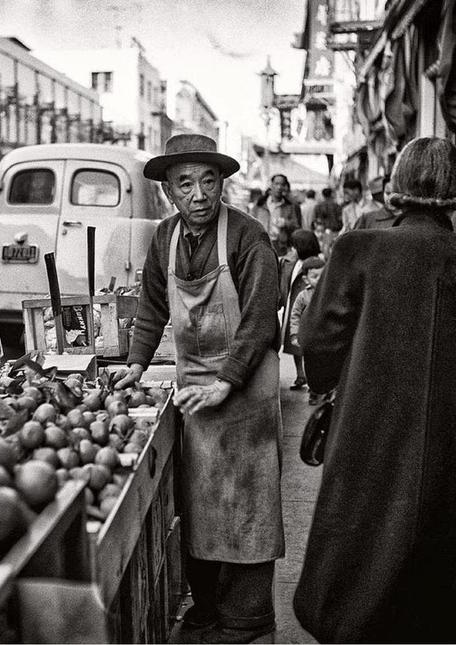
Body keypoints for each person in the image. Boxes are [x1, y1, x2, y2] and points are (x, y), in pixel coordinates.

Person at [115, 133, 284, 644]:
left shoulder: (248, 236)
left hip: (247, 387)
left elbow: (258, 321)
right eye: (185, 183)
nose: (199, 194)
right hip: (194, 388)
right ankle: (209, 610)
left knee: (250, 502)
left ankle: (250, 617)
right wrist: (136, 365)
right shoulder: (164, 238)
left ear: (222, 184)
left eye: (208, 181)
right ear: (168, 190)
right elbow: (151, 309)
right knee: (202, 502)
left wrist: (227, 381)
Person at [293, 137, 456, 643]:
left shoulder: (361, 249)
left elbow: (316, 340)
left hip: (369, 426)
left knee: (358, 553)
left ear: (397, 186)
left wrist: (327, 389)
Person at [279, 230, 321, 391]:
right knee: (294, 343)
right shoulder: (292, 262)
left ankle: (311, 377)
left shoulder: (317, 263)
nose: (292, 250)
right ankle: (300, 375)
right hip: (293, 306)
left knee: (309, 347)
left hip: (309, 309)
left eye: (294, 246)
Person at [288, 256, 325, 404]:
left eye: (323, 275)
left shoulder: (331, 294)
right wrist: (294, 334)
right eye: (315, 276)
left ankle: (325, 389)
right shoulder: (303, 296)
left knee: (326, 365)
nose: (319, 279)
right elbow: (295, 316)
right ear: (306, 279)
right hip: (310, 339)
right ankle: (314, 391)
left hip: (326, 338)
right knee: (311, 365)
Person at [251, 174, 302, 257]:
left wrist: (286, 223)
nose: (279, 187)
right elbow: (250, 224)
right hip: (261, 245)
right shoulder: (260, 204)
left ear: (285, 187)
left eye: (282, 184)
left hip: (281, 248)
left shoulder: (289, 206)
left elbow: (296, 226)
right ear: (271, 185)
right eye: (276, 184)